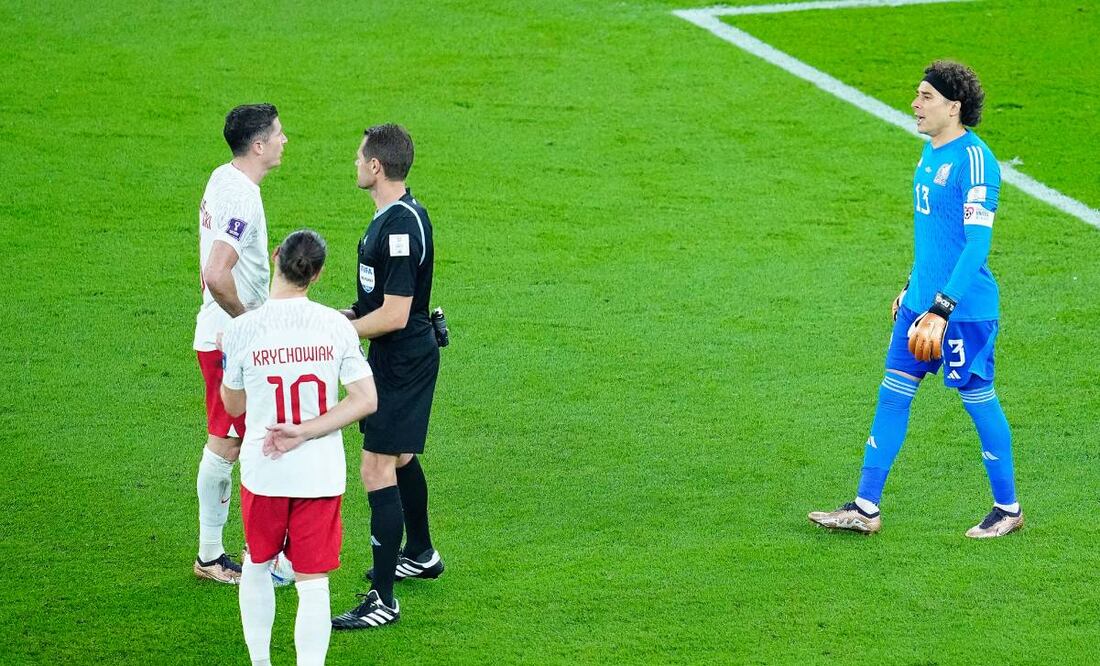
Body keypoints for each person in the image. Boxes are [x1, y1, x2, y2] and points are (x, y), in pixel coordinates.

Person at [808, 61, 1023, 538]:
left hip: (962, 312)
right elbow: (933, 239)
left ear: (954, 106)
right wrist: (912, 287)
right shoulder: (929, 154)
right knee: (892, 396)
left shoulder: (975, 160)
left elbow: (975, 245)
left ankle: (1007, 510)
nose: (915, 103)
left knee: (978, 400)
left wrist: (943, 306)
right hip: (919, 306)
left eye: (925, 96)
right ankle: (865, 508)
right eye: (917, 95)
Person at [221, 229, 378, 666]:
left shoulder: (243, 329)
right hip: (319, 474)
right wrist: (308, 430)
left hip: (264, 471)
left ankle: (260, 663)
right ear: (318, 274)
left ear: (276, 258)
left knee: (256, 564)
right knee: (313, 583)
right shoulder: (334, 325)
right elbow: (367, 400)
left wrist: (231, 364)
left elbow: (232, 405)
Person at [331, 124, 444, 631]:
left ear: (377, 166)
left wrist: (342, 331)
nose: (355, 163)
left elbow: (395, 314)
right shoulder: (391, 218)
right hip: (397, 355)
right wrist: (334, 318)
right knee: (399, 457)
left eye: (359, 157)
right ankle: (419, 553)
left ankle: (382, 599)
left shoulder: (398, 229)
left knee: (376, 467)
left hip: (401, 357)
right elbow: (375, 303)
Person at [193, 103, 287, 582]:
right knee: (240, 444)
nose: (284, 140)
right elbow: (216, 272)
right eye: (277, 134)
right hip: (229, 339)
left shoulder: (222, 177)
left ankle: (219, 552)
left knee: (233, 441)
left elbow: (206, 261)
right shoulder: (244, 198)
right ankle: (231, 556)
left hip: (219, 333)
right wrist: (248, 320)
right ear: (258, 145)